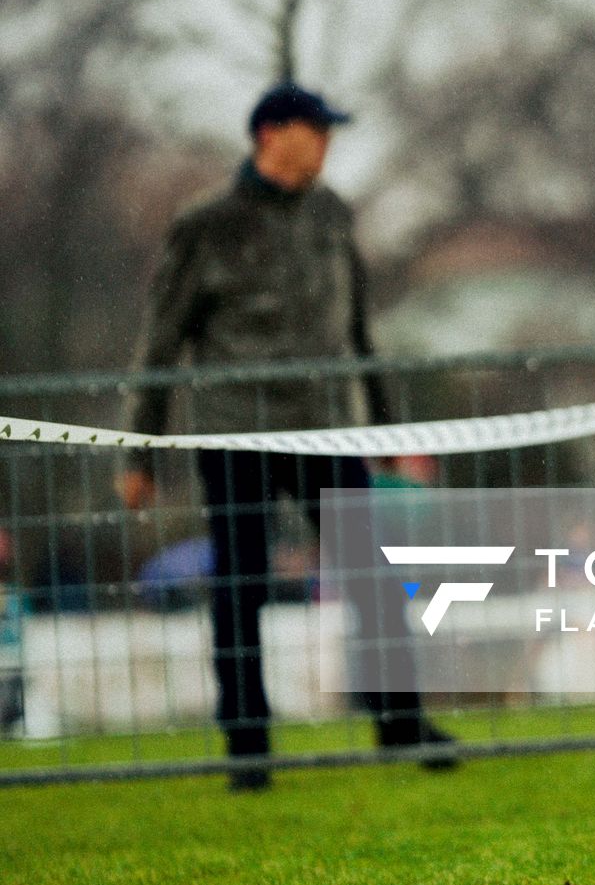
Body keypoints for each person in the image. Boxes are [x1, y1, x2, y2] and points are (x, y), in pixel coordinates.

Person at [118, 81, 454, 788]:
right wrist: (137, 450)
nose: (327, 142)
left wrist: (386, 427)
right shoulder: (206, 224)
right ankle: (248, 744)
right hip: (235, 434)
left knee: (372, 576)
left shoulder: (332, 213)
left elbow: (359, 328)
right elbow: (160, 339)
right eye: (316, 129)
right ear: (271, 133)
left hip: (327, 431)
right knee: (242, 584)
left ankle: (400, 721)